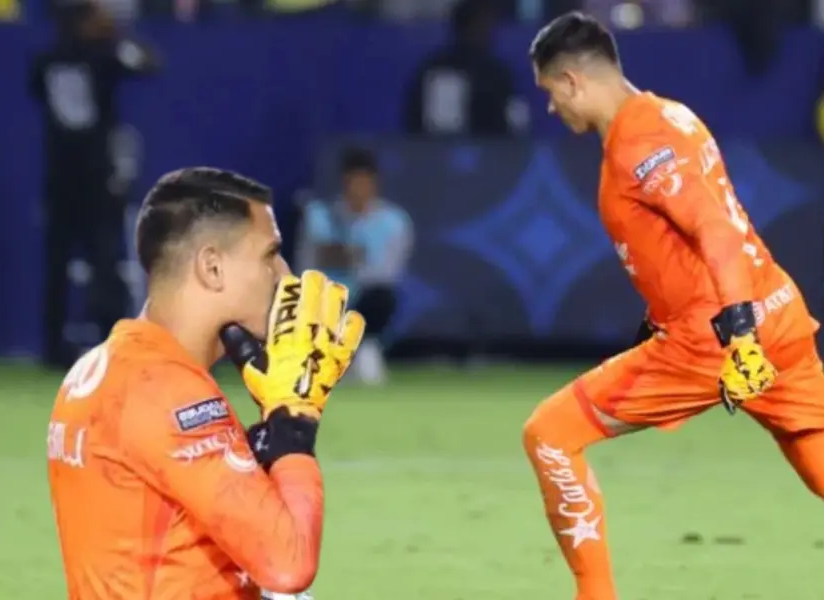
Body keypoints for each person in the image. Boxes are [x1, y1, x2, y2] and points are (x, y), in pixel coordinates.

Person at [522, 12, 824, 600]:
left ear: (570, 81)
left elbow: (713, 229)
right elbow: (690, 241)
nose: (550, 108)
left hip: (716, 337)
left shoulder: (640, 141)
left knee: (549, 434)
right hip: (779, 314)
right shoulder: (672, 115)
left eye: (548, 94)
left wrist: (738, 333)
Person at [46, 167, 365, 598]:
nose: (284, 272)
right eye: (269, 254)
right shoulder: (167, 392)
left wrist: (262, 451)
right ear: (212, 267)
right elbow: (288, 564)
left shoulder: (112, 365)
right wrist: (294, 427)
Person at [29, 0, 160, 369]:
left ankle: (52, 346)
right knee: (104, 260)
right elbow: (149, 62)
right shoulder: (106, 55)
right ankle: (112, 342)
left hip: (60, 179)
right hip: (96, 179)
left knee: (60, 263)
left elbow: (38, 92)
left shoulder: (45, 61)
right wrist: (119, 38)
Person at [301, 146, 413, 384]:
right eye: (354, 182)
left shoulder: (395, 221)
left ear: (375, 183)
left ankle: (364, 350)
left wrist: (349, 260)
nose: (359, 189)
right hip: (327, 299)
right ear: (344, 182)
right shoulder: (318, 216)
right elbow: (307, 264)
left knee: (383, 297)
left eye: (365, 182)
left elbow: (388, 273)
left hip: (364, 298)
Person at [402, 0, 527, 136]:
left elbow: (513, 121)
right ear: (467, 26)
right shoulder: (437, 68)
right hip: (448, 152)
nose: (489, 30)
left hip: (487, 152)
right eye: (483, 24)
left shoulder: (497, 72)